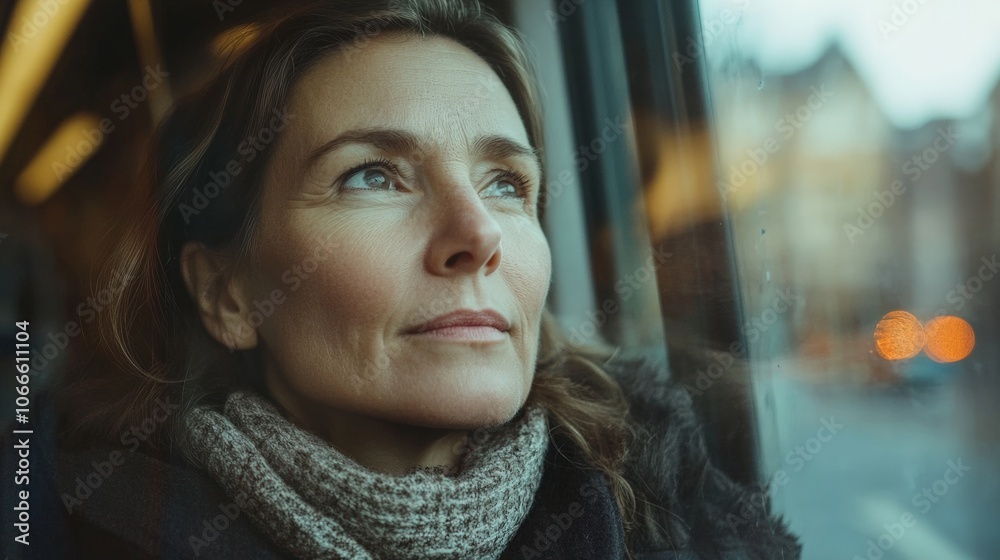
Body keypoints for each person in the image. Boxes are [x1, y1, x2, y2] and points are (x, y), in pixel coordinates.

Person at [52, 1, 802, 558]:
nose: (477, 236)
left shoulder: (688, 519)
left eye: (507, 184)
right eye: (373, 176)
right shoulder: (62, 526)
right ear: (227, 294)